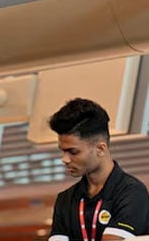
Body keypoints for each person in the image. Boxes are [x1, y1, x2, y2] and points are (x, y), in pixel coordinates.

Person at [48, 98, 149, 241]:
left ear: (101, 149)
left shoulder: (132, 192)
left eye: (73, 152)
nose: (64, 159)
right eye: (62, 151)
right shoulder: (65, 199)